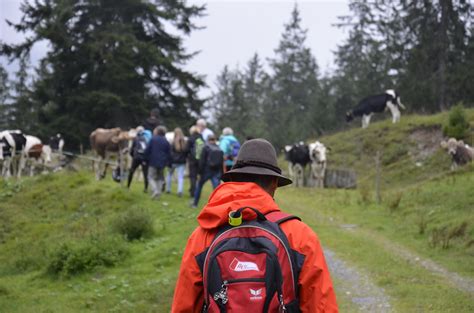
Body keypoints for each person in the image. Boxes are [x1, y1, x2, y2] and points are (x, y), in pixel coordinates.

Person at [172, 138, 338, 312]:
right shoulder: (300, 236)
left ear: (234, 180)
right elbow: (322, 307)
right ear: (274, 184)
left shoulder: (202, 236)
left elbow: (183, 306)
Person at [190, 134, 223, 208]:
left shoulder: (206, 147)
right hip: (216, 172)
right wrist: (222, 173)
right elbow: (221, 162)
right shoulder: (219, 148)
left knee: (199, 186)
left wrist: (200, 172)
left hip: (206, 171)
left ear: (208, 139)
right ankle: (217, 205)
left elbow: (202, 161)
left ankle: (195, 203)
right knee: (216, 190)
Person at [145, 126, 170, 199]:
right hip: (162, 162)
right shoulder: (166, 141)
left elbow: (147, 150)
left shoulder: (153, 139)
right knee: (159, 178)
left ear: (157, 132)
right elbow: (169, 152)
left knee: (150, 177)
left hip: (153, 161)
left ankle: (155, 190)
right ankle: (158, 194)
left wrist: (145, 158)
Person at [166, 127, 188, 197]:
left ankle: (168, 189)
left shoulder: (173, 142)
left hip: (173, 161)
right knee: (180, 177)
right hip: (181, 162)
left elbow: (170, 152)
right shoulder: (184, 142)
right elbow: (186, 152)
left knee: (169, 175)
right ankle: (180, 190)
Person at [127, 126, 149, 192]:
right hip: (144, 158)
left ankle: (128, 186)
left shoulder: (135, 139)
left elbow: (131, 150)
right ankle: (145, 188)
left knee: (132, 171)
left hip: (136, 157)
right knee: (145, 173)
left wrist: (133, 156)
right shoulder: (145, 139)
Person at [186, 125, 204, 198]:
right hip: (200, 160)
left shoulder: (191, 138)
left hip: (192, 160)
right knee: (198, 176)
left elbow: (187, 149)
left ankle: (192, 192)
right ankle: (197, 191)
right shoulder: (201, 138)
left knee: (193, 176)